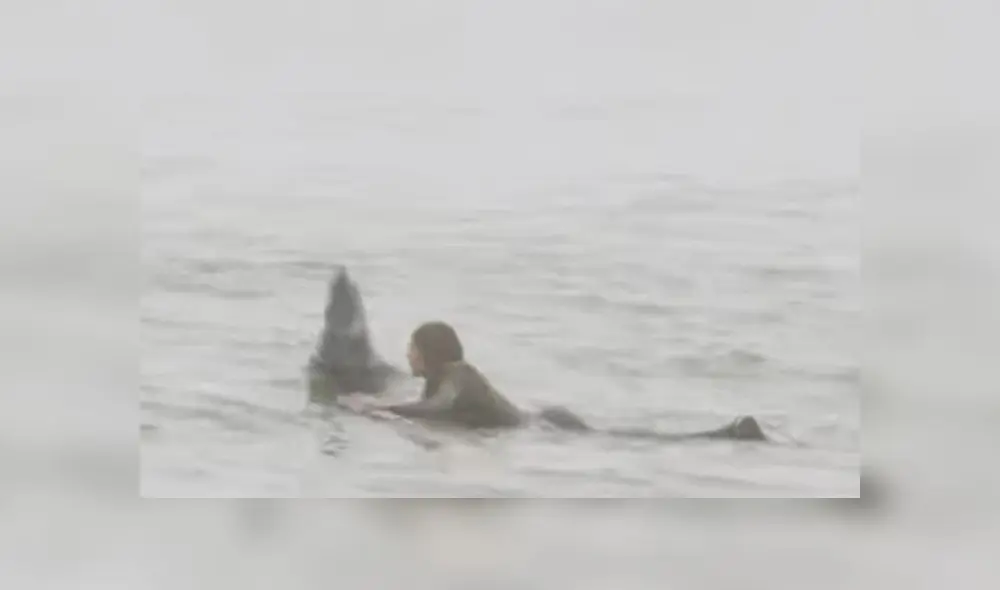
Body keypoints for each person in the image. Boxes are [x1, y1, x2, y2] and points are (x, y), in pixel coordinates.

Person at [358, 321, 525, 429]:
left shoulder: (460, 374)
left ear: (427, 351)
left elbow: (437, 406)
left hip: (535, 429)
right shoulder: (438, 381)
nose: (408, 355)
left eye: (412, 348)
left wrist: (381, 409)